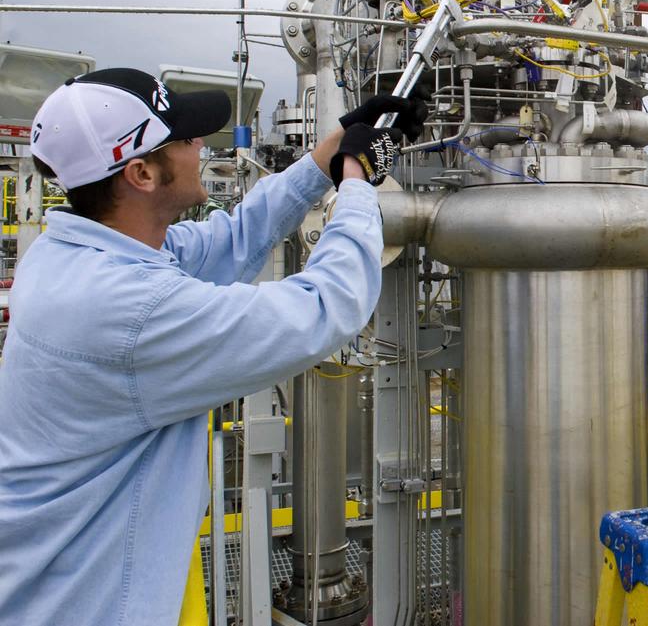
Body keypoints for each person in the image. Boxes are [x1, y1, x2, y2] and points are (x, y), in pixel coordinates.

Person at [0, 68, 419, 625]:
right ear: (141, 173)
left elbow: (234, 237)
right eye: (184, 138)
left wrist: (330, 155)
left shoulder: (76, 254)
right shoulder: (124, 307)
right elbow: (323, 309)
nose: (201, 146)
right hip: (88, 602)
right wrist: (361, 187)